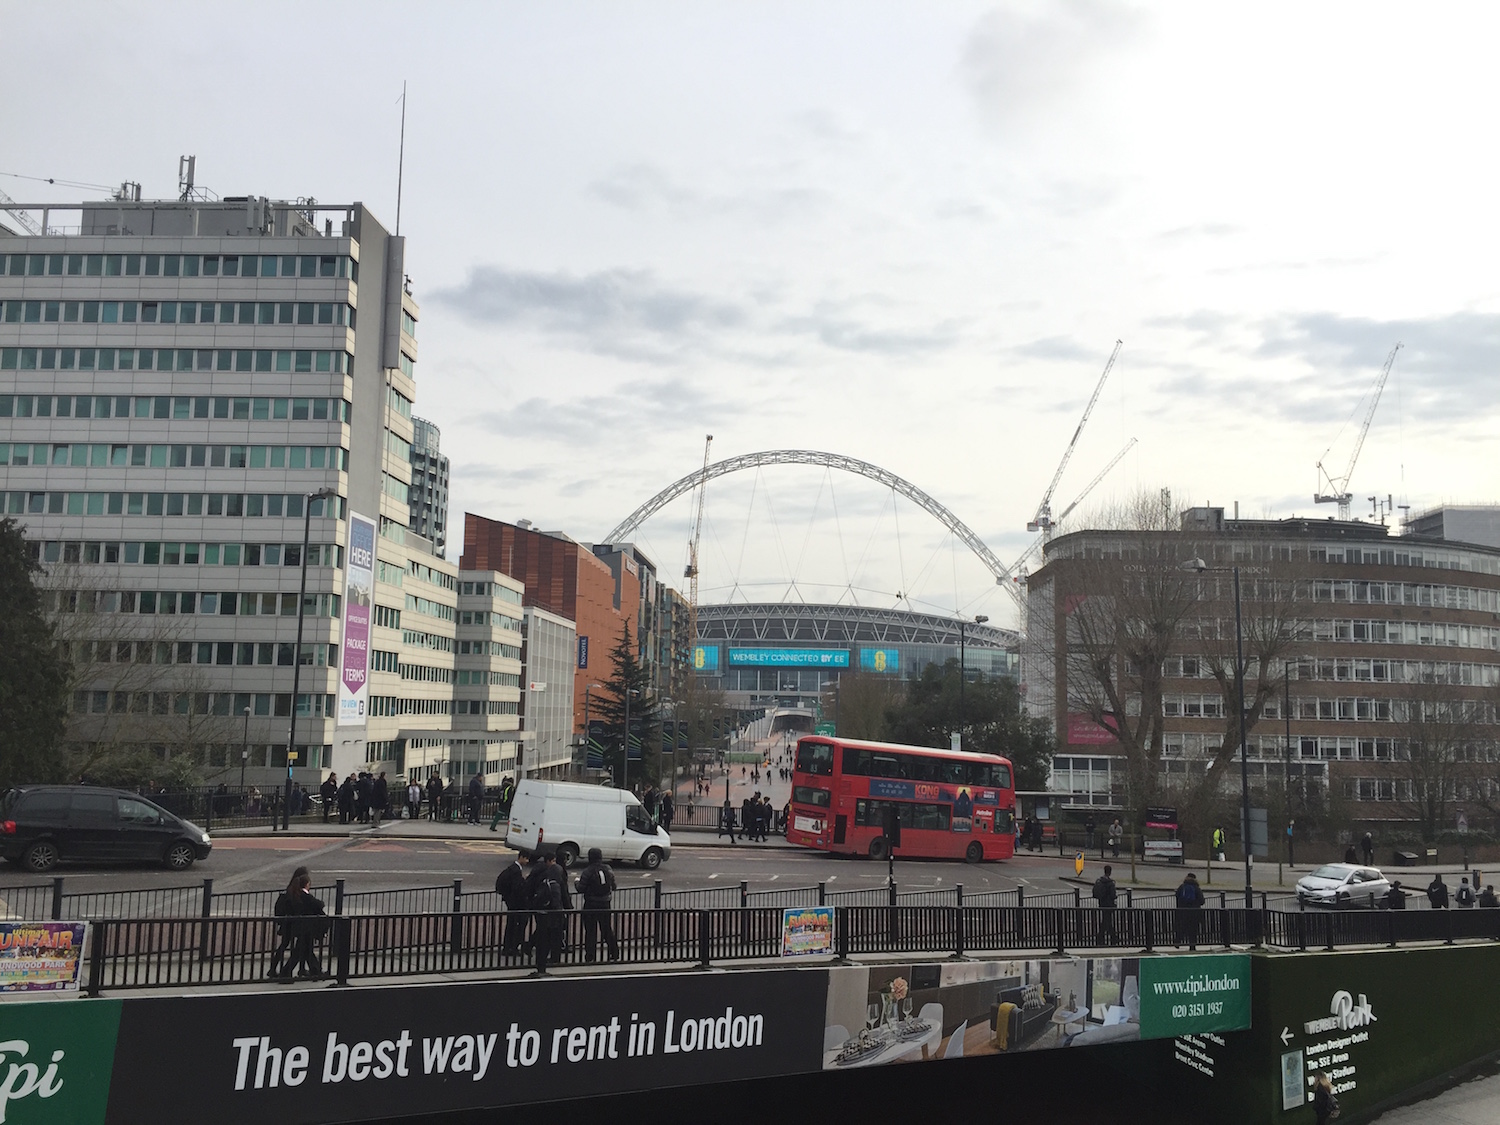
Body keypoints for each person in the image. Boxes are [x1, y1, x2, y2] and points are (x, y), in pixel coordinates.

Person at [575, 848, 619, 963]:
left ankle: (590, 956)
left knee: (590, 931)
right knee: (606, 929)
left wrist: (576, 882)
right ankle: (614, 953)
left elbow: (581, 889)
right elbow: (614, 886)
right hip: (605, 904)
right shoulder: (608, 869)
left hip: (591, 904)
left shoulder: (588, 871)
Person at [495, 854, 530, 959]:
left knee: (511, 925)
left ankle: (507, 948)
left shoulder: (512, 869)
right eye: (526, 858)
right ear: (521, 857)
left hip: (511, 902)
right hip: (515, 904)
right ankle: (512, 948)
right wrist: (525, 881)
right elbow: (517, 888)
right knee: (514, 926)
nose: (527, 861)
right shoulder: (516, 871)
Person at [1174, 871, 1205, 947]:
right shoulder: (1196, 888)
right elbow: (1202, 901)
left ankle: (1178, 942)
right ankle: (1192, 946)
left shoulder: (1182, 887)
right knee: (1193, 930)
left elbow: (1177, 896)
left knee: (1182, 928)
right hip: (1194, 913)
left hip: (1182, 912)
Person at [1092, 864, 1118, 945]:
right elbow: (1113, 895)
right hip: (1109, 905)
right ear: (1110, 872)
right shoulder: (1110, 883)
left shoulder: (1100, 881)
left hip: (1102, 903)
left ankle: (1102, 937)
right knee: (1107, 921)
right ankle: (1111, 938)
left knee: (1106, 920)